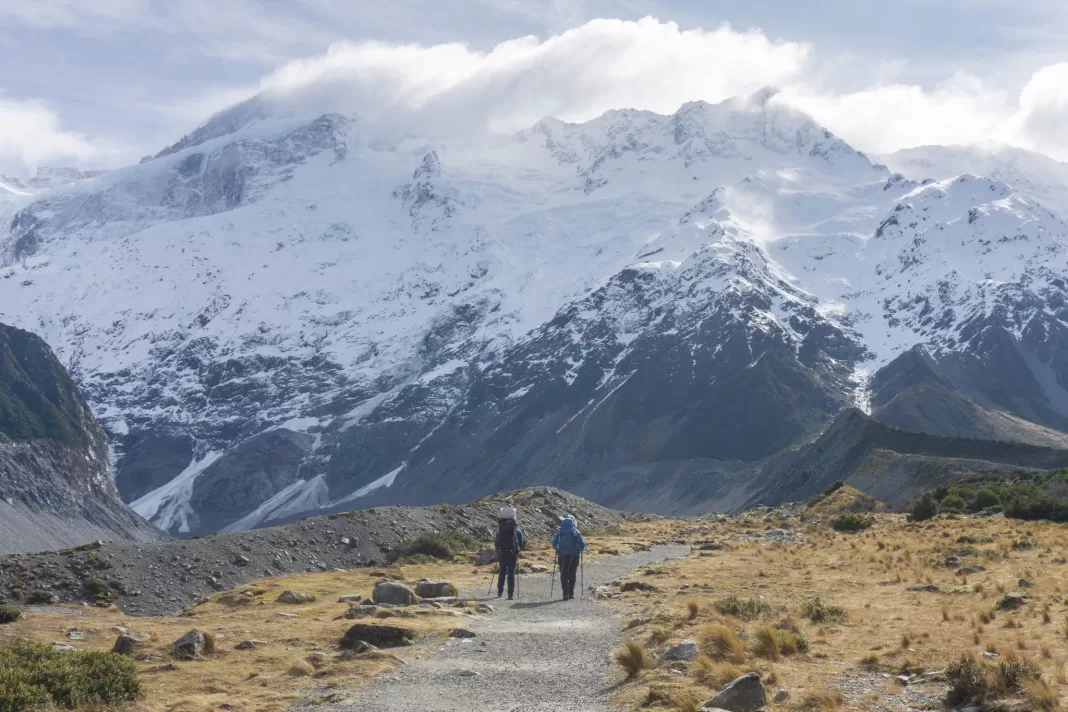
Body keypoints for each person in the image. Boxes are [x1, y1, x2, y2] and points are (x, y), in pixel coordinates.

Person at [552, 514, 586, 600]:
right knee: (572, 573)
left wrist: (558, 549)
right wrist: (580, 549)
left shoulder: (560, 532)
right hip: (574, 556)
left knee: (564, 574)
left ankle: (565, 593)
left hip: (562, 556)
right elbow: (582, 545)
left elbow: (554, 543)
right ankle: (571, 593)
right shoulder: (576, 532)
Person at [495, 505, 526, 600]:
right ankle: (510, 594)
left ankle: (500, 592)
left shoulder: (500, 526)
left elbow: (496, 539)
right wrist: (520, 547)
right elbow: (520, 541)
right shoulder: (515, 527)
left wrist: (497, 548)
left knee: (502, 572)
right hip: (512, 552)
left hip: (501, 552)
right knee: (511, 573)